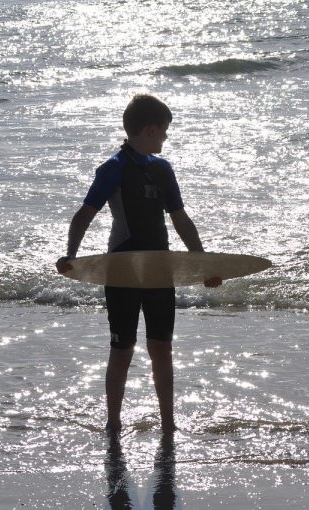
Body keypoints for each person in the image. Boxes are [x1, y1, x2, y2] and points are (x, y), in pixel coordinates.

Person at [56, 94, 220, 435]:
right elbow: (84, 215)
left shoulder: (163, 170)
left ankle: (169, 423)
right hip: (123, 271)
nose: (165, 138)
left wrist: (203, 263)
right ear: (149, 129)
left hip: (160, 270)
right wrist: (71, 255)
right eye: (163, 131)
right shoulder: (113, 169)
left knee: (161, 345)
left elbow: (181, 221)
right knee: (122, 346)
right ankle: (113, 422)